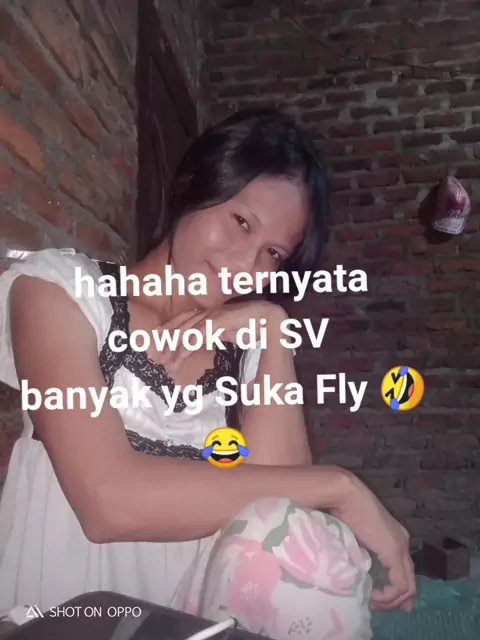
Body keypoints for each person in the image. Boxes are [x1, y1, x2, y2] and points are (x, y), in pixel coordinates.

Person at [0, 109, 415, 640]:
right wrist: (342, 488)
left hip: (194, 614)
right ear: (194, 186)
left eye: (272, 254)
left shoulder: (246, 348)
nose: (247, 265)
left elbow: (286, 527)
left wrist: (274, 328)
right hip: (68, 617)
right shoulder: (58, 291)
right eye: (241, 222)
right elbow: (106, 502)